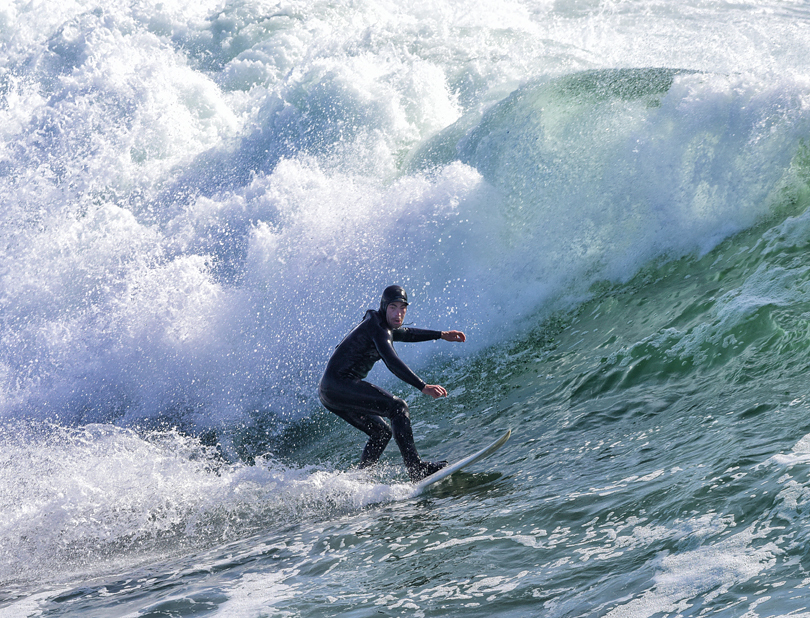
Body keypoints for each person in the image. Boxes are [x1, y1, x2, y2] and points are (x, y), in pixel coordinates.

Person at [319, 285, 466, 481]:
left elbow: (407, 333)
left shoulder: (380, 323)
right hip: (338, 384)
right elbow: (391, 360)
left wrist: (440, 334)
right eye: (392, 308)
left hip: (331, 389)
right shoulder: (379, 329)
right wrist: (423, 386)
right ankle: (416, 469)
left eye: (402, 308)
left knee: (381, 432)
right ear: (383, 307)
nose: (398, 314)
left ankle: (361, 481)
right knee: (398, 407)